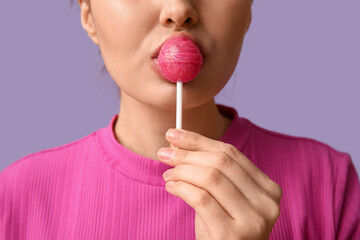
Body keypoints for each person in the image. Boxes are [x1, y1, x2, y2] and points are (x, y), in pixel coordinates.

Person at [0, 0, 359, 239]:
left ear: (248, 8)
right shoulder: (16, 197)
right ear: (88, 14)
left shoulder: (329, 184)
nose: (179, 10)